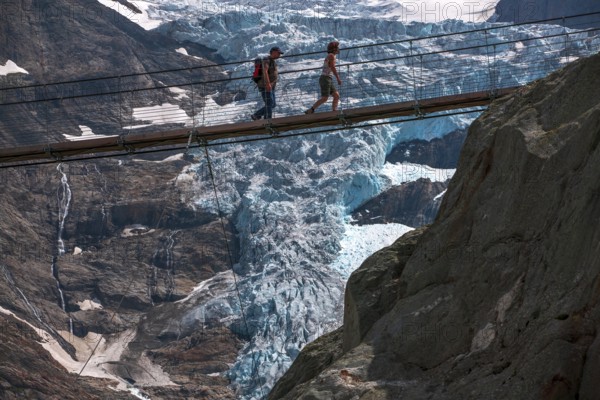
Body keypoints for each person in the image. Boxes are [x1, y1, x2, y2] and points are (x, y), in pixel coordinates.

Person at [305, 41, 342, 114]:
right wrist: (338, 78)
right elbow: (332, 67)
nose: (338, 49)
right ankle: (311, 110)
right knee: (325, 98)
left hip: (328, 78)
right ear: (333, 49)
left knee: (336, 95)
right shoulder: (331, 56)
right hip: (325, 78)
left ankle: (334, 111)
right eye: (337, 47)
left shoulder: (332, 56)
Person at [251, 46, 284, 120]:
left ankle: (257, 115)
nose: (279, 55)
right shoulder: (267, 60)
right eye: (278, 53)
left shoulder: (272, 61)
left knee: (272, 104)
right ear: (274, 52)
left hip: (270, 86)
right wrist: (268, 83)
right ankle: (267, 120)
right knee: (269, 104)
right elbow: (265, 71)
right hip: (265, 85)